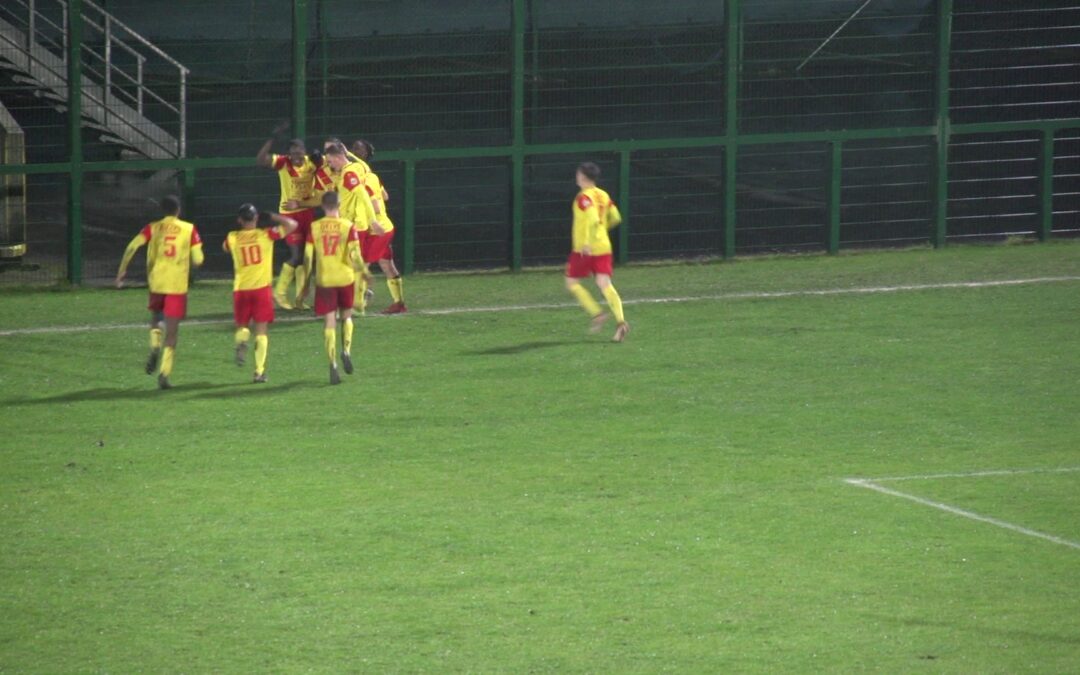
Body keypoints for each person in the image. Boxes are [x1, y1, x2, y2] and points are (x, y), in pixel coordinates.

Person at [115, 195, 205, 389]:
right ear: (178, 210)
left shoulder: (152, 228)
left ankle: (154, 346)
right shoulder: (189, 229)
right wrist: (193, 260)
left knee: (156, 318)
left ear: (162, 211)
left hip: (157, 282)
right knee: (172, 333)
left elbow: (132, 246)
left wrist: (122, 270)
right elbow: (198, 259)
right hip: (176, 285)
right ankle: (164, 374)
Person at [222, 204, 298, 383]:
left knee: (242, 325)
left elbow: (225, 247)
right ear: (256, 218)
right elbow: (292, 224)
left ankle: (242, 341)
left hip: (241, 289)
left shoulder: (232, 237)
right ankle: (258, 371)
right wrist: (273, 216)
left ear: (239, 220)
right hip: (261, 289)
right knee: (262, 331)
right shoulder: (266, 235)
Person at [256, 123, 321, 310]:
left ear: (304, 152)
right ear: (289, 153)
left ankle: (301, 298)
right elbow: (260, 160)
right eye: (293, 152)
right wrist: (271, 139)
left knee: (307, 256)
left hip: (308, 213)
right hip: (289, 216)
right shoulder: (283, 163)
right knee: (297, 254)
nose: (297, 156)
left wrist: (321, 161)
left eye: (299, 152)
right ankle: (280, 293)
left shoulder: (312, 163)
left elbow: (329, 168)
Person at [300, 191, 363, 385]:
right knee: (347, 316)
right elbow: (355, 254)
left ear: (322, 206)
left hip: (325, 280)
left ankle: (333, 363)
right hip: (345, 277)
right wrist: (364, 272)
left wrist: (305, 284)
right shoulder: (348, 226)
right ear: (339, 204)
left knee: (329, 323)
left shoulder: (315, 227)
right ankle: (346, 350)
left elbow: (308, 257)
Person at [565, 162, 630, 342]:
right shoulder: (603, 194)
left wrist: (586, 242)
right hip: (604, 246)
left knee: (571, 283)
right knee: (605, 284)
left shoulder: (583, 197)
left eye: (578, 174)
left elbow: (592, 219)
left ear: (583, 177)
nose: (576, 176)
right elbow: (616, 217)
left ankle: (597, 314)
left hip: (584, 249)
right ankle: (621, 322)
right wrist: (602, 231)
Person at [322, 143, 382, 314]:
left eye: (330, 161)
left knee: (351, 265)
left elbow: (363, 196)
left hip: (354, 226)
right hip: (351, 225)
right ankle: (357, 301)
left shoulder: (349, 174)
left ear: (337, 157)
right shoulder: (355, 168)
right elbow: (365, 167)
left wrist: (373, 221)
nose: (329, 165)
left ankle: (357, 302)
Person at [352, 139, 407, 314]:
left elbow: (376, 203)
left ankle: (359, 302)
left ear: (365, 155)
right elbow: (385, 196)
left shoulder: (363, 178)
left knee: (362, 265)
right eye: (353, 149)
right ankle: (399, 303)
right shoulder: (372, 176)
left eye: (358, 150)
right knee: (386, 264)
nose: (354, 152)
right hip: (385, 227)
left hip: (377, 230)